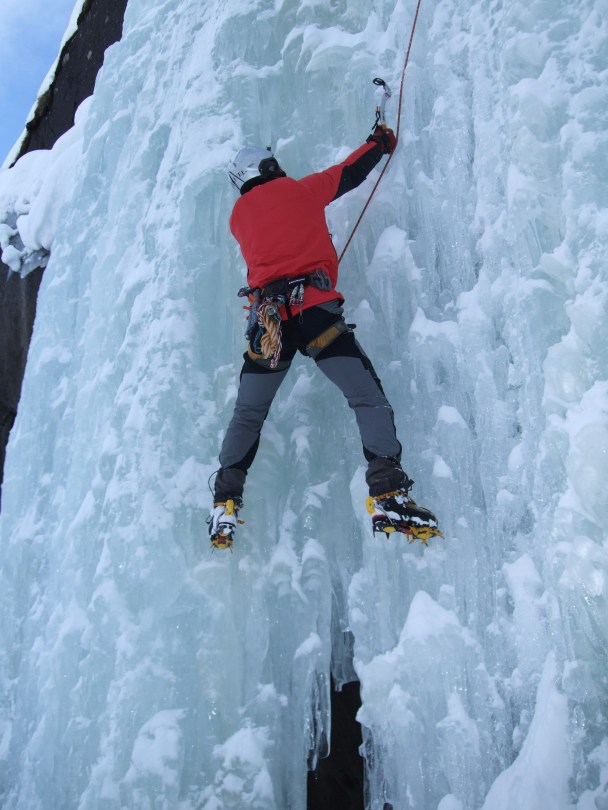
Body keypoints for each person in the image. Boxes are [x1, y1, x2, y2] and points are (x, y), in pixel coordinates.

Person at [208, 125, 441, 548]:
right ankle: (387, 488)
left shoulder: (237, 218)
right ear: (268, 165)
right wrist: (380, 143)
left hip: (269, 325)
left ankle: (225, 500)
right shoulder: (300, 190)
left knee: (248, 413)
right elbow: (349, 172)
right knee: (366, 396)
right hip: (314, 314)